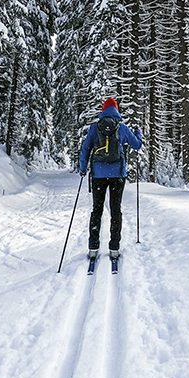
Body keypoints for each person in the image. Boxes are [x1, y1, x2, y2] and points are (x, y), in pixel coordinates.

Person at [79, 98, 142, 259]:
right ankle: (114, 248)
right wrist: (138, 133)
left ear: (103, 110)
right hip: (117, 175)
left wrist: (82, 168)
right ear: (116, 110)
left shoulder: (95, 127)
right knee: (116, 210)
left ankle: (93, 248)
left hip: (98, 175)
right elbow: (137, 145)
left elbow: (86, 148)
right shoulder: (121, 128)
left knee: (97, 210)